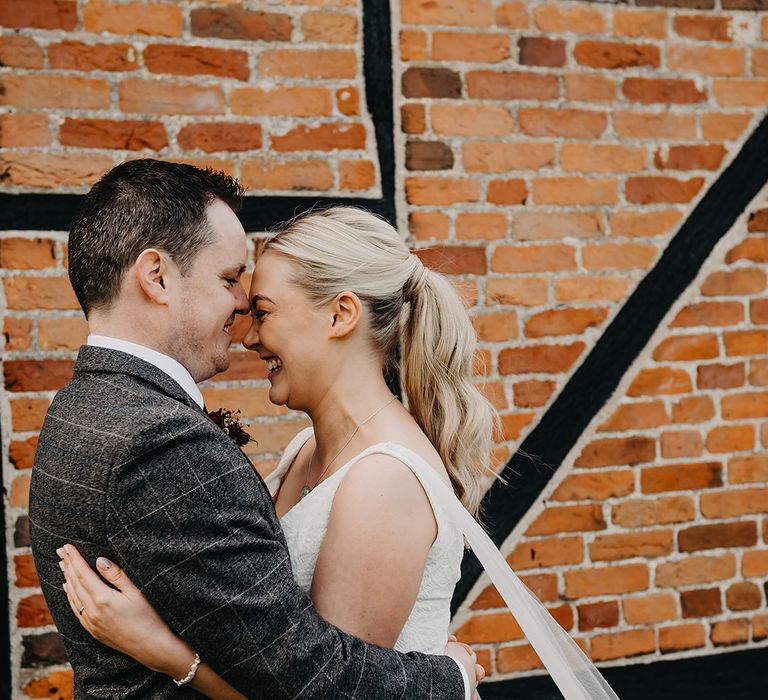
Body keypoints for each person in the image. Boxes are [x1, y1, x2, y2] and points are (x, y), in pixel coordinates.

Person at [31, 161, 481, 699]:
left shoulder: (79, 407)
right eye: (229, 280)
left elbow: (314, 678)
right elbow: (303, 671)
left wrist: (167, 652)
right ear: (156, 277)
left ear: (341, 316)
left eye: (263, 309)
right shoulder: (254, 447)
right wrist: (448, 678)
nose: (245, 321)